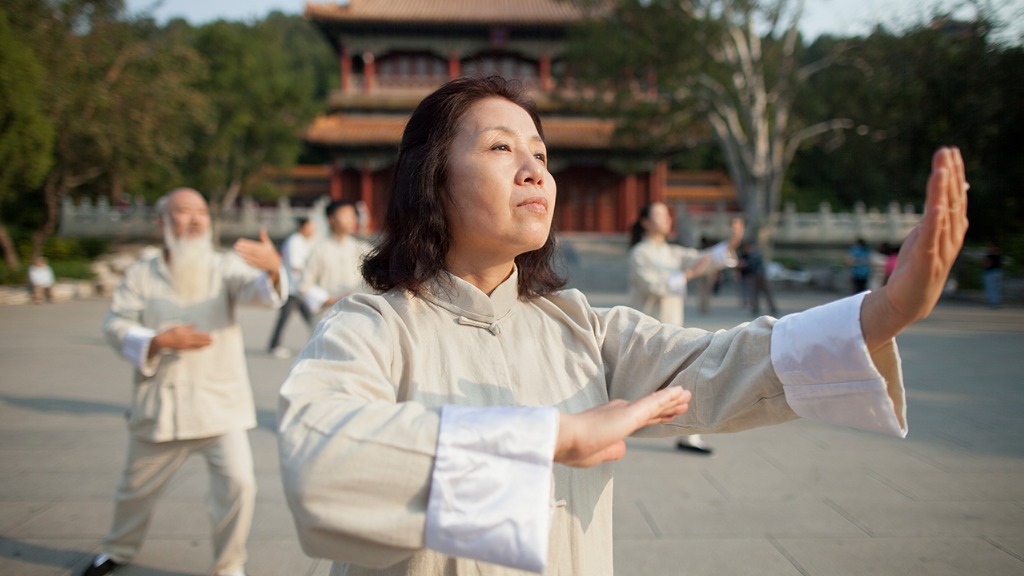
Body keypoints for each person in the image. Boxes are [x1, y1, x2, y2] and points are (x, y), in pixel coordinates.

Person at [276, 76, 969, 576]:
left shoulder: (577, 325)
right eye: (499, 149)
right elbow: (319, 462)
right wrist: (555, 435)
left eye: (542, 155)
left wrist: (887, 311)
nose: (534, 171)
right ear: (430, 179)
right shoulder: (376, 323)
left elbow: (722, 364)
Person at [83, 188, 287, 576]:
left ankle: (229, 566)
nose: (194, 218)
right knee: (135, 491)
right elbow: (114, 324)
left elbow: (259, 292)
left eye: (200, 212)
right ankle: (119, 549)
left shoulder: (223, 265)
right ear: (162, 222)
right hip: (162, 404)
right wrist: (156, 341)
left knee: (240, 486)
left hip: (218, 404)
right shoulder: (143, 273)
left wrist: (274, 270)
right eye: (182, 211)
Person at [627, 202, 743, 455]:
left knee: (688, 379)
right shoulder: (639, 253)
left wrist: (731, 243)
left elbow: (702, 259)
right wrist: (687, 276)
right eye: (659, 214)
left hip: (672, 329)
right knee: (630, 385)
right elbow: (653, 286)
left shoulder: (673, 253)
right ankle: (604, 427)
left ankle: (689, 437)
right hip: (646, 331)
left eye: (667, 215)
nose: (666, 219)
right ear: (645, 222)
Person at [299, 200, 373, 314]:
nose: (351, 219)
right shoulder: (319, 250)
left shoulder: (363, 249)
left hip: (359, 312)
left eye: (353, 215)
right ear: (331, 219)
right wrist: (331, 299)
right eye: (345, 215)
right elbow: (304, 287)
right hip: (329, 313)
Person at [268, 217, 317, 359]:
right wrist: (311, 273)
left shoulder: (304, 242)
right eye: (310, 227)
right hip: (292, 287)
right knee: (286, 318)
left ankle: (319, 342)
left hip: (300, 288)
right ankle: (274, 345)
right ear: (302, 227)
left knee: (312, 318)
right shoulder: (295, 241)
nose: (313, 230)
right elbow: (296, 265)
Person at [738, 240, 779, 316]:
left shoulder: (755, 254)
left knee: (766, 292)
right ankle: (755, 308)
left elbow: (751, 264)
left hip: (759, 274)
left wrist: (745, 264)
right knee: (754, 293)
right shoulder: (745, 254)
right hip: (753, 275)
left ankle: (772, 308)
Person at [982, 242, 1003, 307]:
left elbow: (987, 264)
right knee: (995, 287)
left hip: (991, 272)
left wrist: (985, 265)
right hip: (997, 272)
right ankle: (995, 301)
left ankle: (992, 301)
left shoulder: (990, 256)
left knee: (991, 287)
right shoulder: (998, 256)